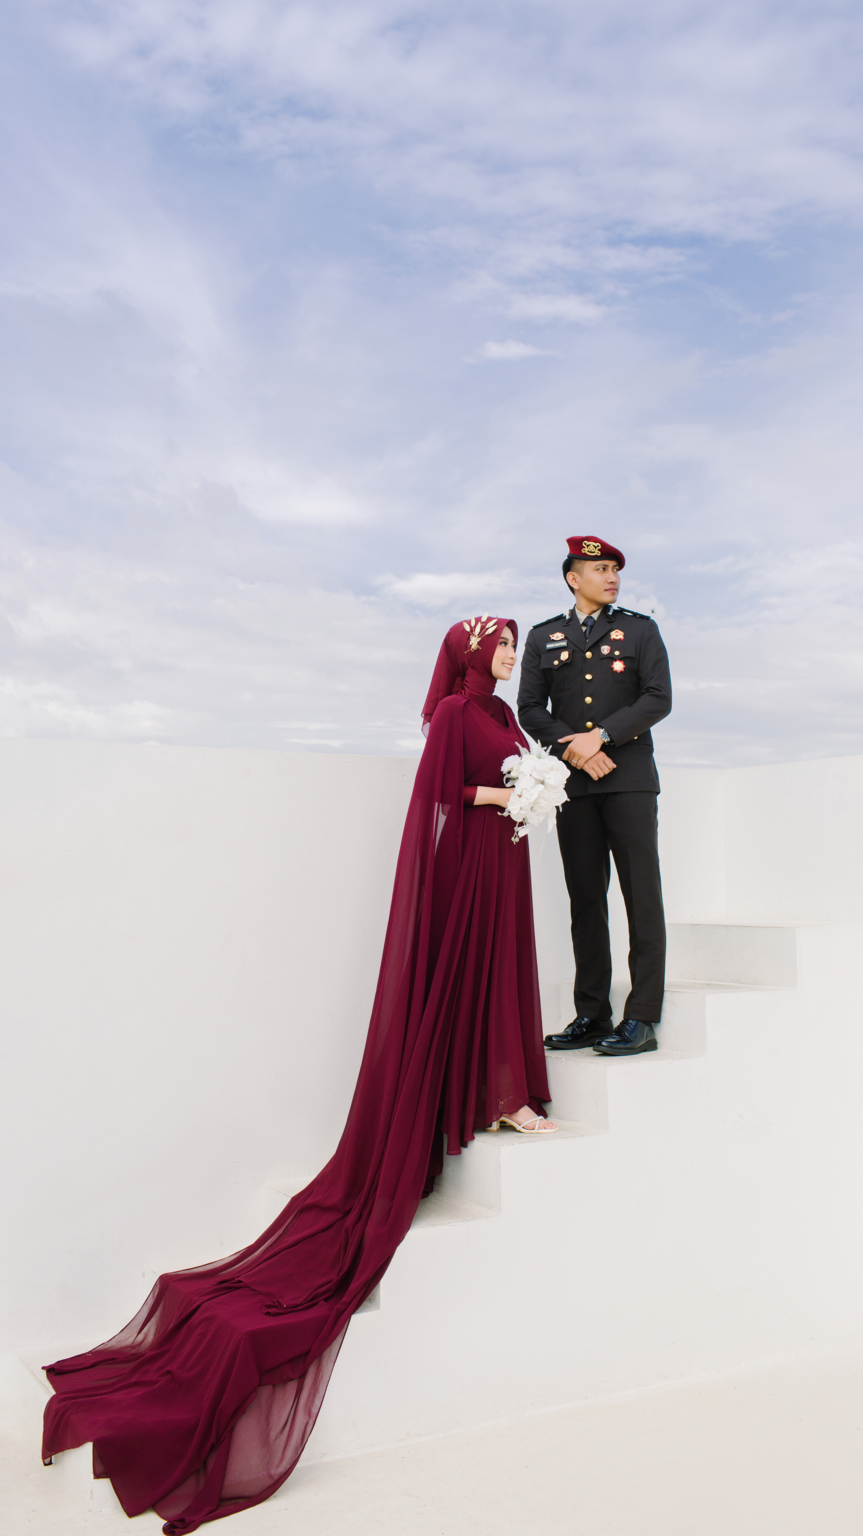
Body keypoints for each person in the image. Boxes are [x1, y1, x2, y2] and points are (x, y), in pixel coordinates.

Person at [41, 616, 555, 1535]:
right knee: (466, 973)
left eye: (514, 645)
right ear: (473, 653)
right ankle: (471, 1097)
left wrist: (531, 790)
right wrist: (509, 790)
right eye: (503, 646)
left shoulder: (507, 713)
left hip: (504, 858)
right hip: (470, 862)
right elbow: (437, 795)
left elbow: (505, 773)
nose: (512, 657)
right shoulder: (452, 714)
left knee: (504, 968)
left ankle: (501, 1095)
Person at [517, 536, 672, 1056]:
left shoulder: (640, 630)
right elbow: (530, 708)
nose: (612, 578)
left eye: (614, 570)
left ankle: (642, 1017)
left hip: (629, 780)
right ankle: (591, 1014)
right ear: (573, 578)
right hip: (577, 786)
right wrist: (577, 751)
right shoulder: (544, 636)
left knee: (640, 896)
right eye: (600, 569)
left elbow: (658, 698)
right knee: (585, 900)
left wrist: (601, 737)